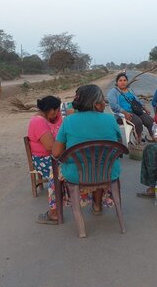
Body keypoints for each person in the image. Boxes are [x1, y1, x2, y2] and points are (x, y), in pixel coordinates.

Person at [50, 84, 122, 218]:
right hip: (108, 172)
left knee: (54, 171)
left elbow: (56, 153)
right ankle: (97, 204)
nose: (103, 102)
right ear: (96, 103)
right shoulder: (110, 119)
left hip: (77, 175)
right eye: (102, 100)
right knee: (99, 163)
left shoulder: (69, 121)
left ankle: (54, 212)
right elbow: (119, 147)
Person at [27, 96, 63, 224]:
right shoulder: (38, 121)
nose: (58, 114)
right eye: (57, 111)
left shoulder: (46, 119)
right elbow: (50, 147)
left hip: (52, 156)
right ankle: (54, 212)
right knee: (60, 173)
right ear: (51, 110)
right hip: (44, 159)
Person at [107, 73, 154, 140]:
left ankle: (153, 137)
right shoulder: (113, 92)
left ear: (127, 82)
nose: (123, 82)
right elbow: (113, 105)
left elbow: (137, 100)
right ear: (117, 82)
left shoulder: (130, 90)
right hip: (122, 115)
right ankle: (139, 139)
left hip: (135, 111)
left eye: (124, 80)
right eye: (120, 80)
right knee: (138, 122)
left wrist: (144, 107)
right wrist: (124, 112)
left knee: (149, 120)